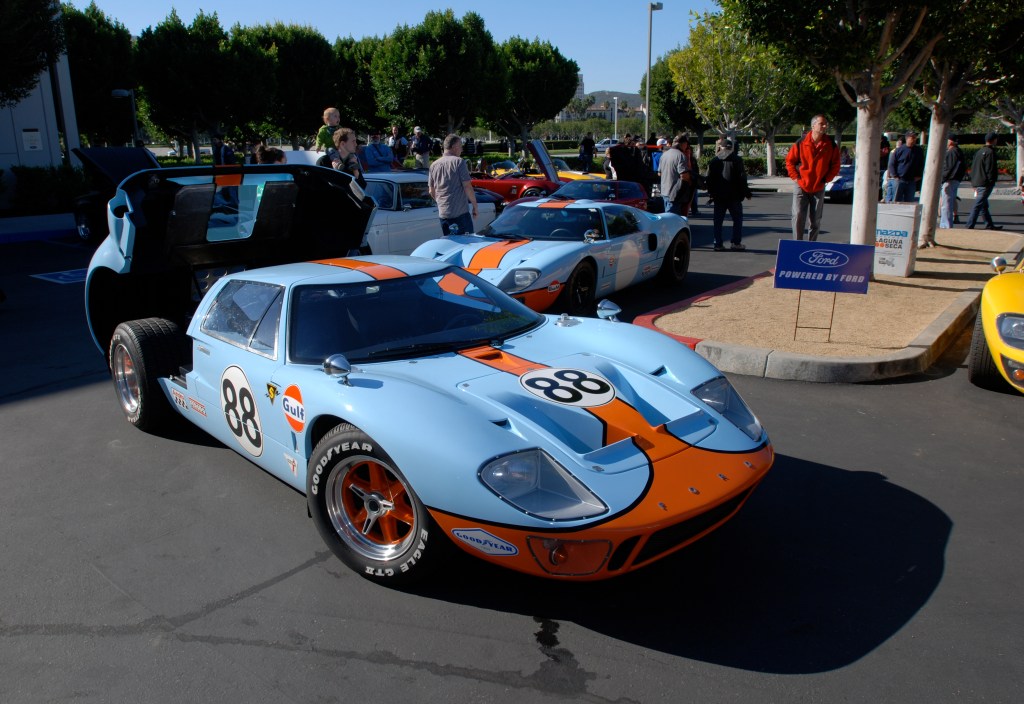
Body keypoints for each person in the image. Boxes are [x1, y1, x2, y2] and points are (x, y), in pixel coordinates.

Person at [785, 114, 840, 240]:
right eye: (822, 124)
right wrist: (795, 178)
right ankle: (797, 244)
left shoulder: (830, 145)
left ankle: (811, 245)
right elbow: (789, 161)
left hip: (818, 186)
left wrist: (826, 179)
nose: (825, 126)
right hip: (801, 185)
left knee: (815, 220)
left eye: (826, 124)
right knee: (798, 215)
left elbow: (836, 165)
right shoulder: (801, 143)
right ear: (813, 126)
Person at [706, 138, 752, 251]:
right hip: (734, 196)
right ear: (731, 148)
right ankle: (736, 243)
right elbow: (742, 178)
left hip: (718, 196)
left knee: (718, 221)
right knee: (737, 220)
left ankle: (718, 243)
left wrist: (711, 193)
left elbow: (709, 179)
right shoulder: (737, 160)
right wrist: (746, 192)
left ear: (720, 147)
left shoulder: (714, 160)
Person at [428, 133, 478, 236]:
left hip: (443, 214)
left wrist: (442, 202)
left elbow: (431, 191)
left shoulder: (433, 165)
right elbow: (467, 187)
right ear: (454, 147)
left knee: (450, 245)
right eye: (460, 146)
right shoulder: (459, 162)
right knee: (467, 245)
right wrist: (475, 206)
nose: (462, 150)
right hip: (460, 214)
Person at [965, 132, 1003, 231]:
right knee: (978, 204)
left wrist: (972, 181)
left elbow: (973, 167)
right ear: (994, 140)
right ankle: (969, 224)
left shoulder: (979, 152)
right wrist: (991, 181)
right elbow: (990, 169)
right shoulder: (990, 153)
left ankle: (989, 224)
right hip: (985, 183)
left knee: (983, 205)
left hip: (977, 181)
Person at [936, 134, 966, 236]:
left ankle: (945, 224)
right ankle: (946, 223)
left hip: (949, 180)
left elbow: (949, 168)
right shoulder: (958, 151)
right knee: (948, 203)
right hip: (954, 180)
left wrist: (943, 179)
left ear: (951, 141)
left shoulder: (952, 152)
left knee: (946, 204)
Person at [658, 134, 692, 217]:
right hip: (674, 193)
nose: (686, 147)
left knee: (667, 215)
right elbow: (684, 175)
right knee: (672, 219)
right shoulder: (680, 156)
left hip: (664, 191)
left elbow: (659, 173)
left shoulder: (664, 155)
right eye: (686, 144)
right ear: (683, 144)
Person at [891, 130, 924, 202]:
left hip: (911, 180)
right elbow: (892, 163)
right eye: (912, 138)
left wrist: (919, 175)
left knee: (909, 202)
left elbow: (921, 164)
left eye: (915, 138)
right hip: (900, 180)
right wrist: (895, 176)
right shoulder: (899, 150)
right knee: (896, 201)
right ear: (907, 138)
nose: (914, 139)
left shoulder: (919, 151)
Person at [883, 134, 904, 203]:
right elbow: (889, 165)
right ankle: (888, 203)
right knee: (890, 193)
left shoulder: (898, 152)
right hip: (892, 177)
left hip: (895, 177)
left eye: (899, 146)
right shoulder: (893, 152)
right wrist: (887, 176)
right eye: (896, 146)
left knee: (894, 194)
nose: (897, 148)